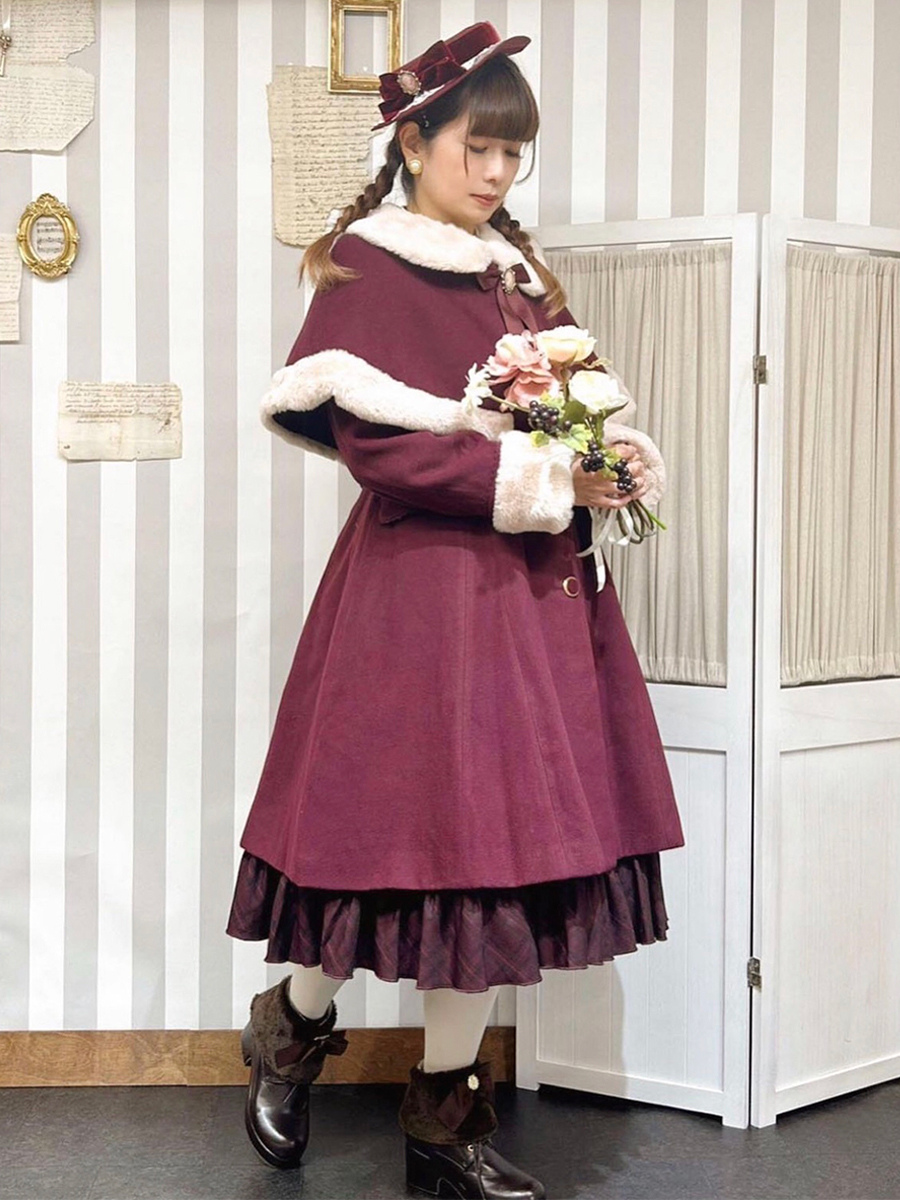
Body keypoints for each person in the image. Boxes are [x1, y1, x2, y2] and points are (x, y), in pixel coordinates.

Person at [226, 21, 685, 1200]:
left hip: (527, 606)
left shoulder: (514, 276)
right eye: (477, 148)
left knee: (495, 864)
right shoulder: (367, 267)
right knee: (382, 849)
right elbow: (383, 455)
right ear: (413, 141)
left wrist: (608, 464)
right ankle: (290, 1027)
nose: (495, 173)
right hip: (418, 602)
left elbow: (567, 419)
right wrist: (545, 476)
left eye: (512, 154)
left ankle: (442, 1126)